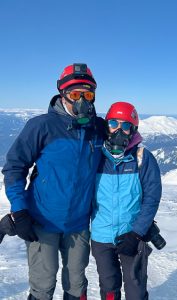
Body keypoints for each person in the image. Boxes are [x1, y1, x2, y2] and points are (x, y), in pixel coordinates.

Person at [2, 63, 105, 300]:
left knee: (77, 284)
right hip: (42, 221)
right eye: (75, 94)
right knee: (43, 283)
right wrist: (20, 212)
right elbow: (15, 167)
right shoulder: (42, 126)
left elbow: (122, 147)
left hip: (78, 224)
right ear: (62, 94)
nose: (83, 101)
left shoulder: (98, 129)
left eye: (88, 94)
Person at [91, 101, 162, 300]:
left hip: (132, 235)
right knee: (109, 288)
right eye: (114, 123)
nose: (118, 130)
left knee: (135, 289)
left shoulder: (142, 158)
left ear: (133, 130)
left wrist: (137, 233)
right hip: (102, 236)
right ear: (106, 126)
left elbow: (151, 198)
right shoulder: (96, 157)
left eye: (126, 126)